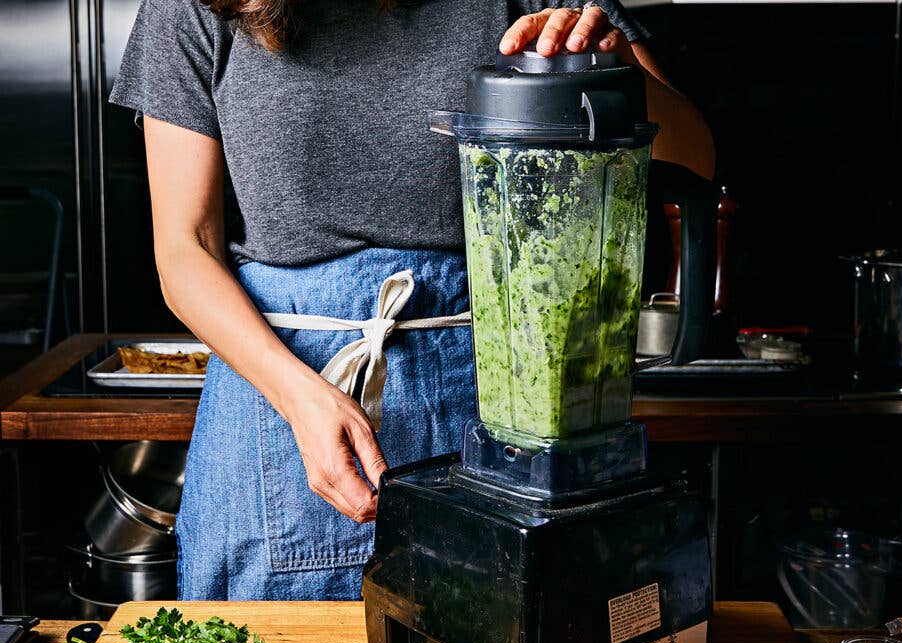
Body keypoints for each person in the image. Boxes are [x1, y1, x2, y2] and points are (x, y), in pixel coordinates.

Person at [109, 0, 715, 601]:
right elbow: (186, 251)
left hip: (509, 401)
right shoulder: (194, 8)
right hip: (282, 405)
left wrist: (613, 77)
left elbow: (694, 157)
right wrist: (302, 401)